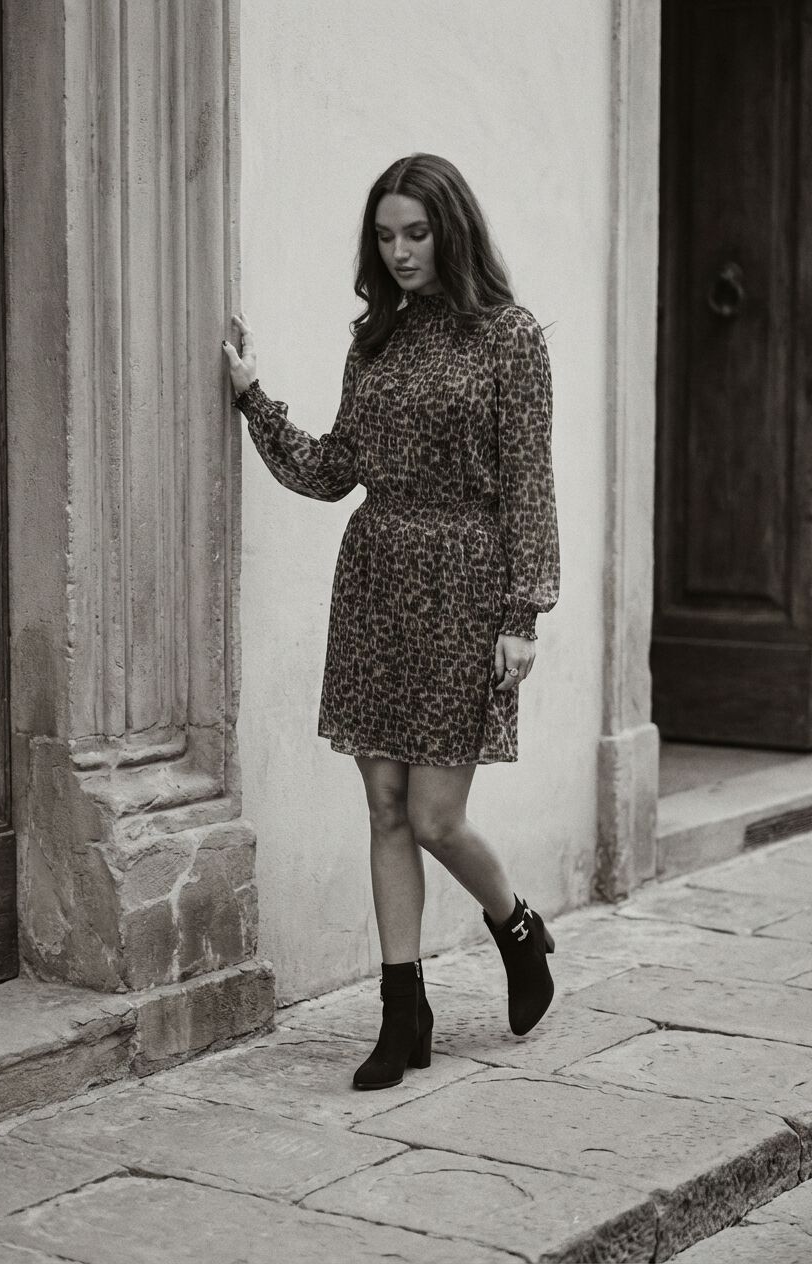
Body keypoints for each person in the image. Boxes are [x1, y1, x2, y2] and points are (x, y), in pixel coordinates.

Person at [223, 152, 560, 1091]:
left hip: (465, 586)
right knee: (382, 806)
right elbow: (336, 468)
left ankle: (517, 929)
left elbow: (529, 481)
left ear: (452, 231)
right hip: (375, 581)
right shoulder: (375, 340)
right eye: (385, 236)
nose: (400, 251)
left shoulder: (509, 337)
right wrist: (252, 397)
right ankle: (402, 1009)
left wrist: (524, 611)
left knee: (435, 816)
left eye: (416, 232)